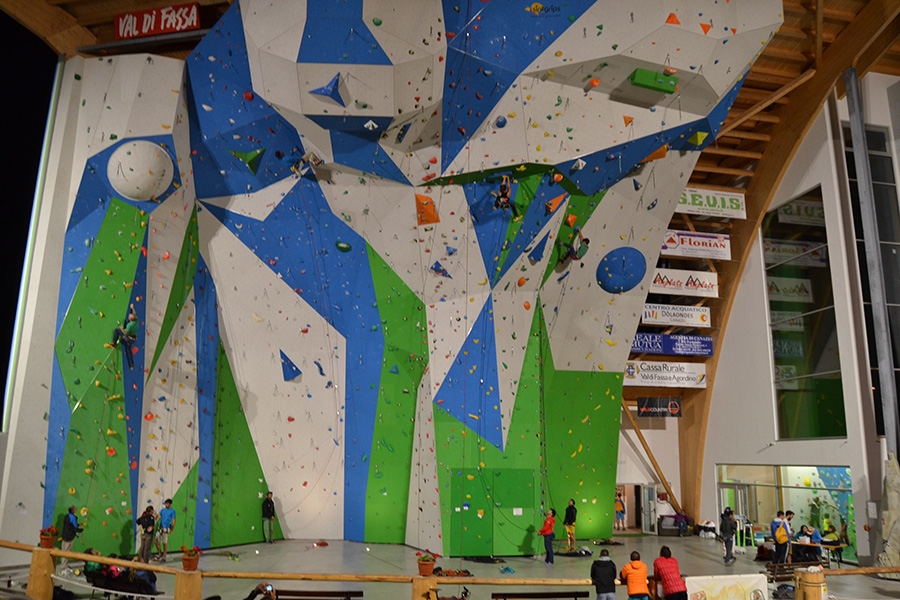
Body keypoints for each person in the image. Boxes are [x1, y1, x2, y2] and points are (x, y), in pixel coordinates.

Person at [106, 303, 138, 369]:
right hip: (133, 338)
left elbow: (126, 333)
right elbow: (135, 313)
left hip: (129, 338)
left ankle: (114, 343)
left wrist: (122, 329)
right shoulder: (136, 320)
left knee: (117, 330)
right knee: (128, 350)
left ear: (130, 320)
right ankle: (131, 365)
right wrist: (132, 308)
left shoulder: (129, 325)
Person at [58, 505, 83, 573]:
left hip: (64, 536)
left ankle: (64, 565)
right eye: (75, 508)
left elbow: (70, 525)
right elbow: (75, 529)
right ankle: (64, 567)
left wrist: (78, 525)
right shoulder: (73, 517)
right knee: (67, 552)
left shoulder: (67, 516)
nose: (76, 509)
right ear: (73, 510)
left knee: (64, 551)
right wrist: (81, 530)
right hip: (69, 537)